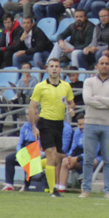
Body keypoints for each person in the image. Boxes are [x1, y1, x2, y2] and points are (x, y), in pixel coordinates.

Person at [28, 58, 76, 197]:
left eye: (57, 66)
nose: (54, 68)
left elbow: (71, 103)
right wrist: (33, 127)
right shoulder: (40, 86)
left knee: (58, 157)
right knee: (52, 154)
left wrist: (71, 109)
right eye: (52, 66)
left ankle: (35, 166)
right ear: (47, 69)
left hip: (59, 124)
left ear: (60, 69)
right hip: (45, 122)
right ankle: (53, 190)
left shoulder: (66, 86)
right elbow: (32, 107)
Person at [81, 55, 109, 198]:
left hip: (108, 125)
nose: (104, 66)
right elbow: (87, 100)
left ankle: (108, 190)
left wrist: (97, 99)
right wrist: (106, 102)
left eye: (107, 63)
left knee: (108, 160)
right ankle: (86, 189)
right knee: (88, 159)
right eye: (102, 63)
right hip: (90, 123)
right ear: (97, 66)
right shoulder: (88, 81)